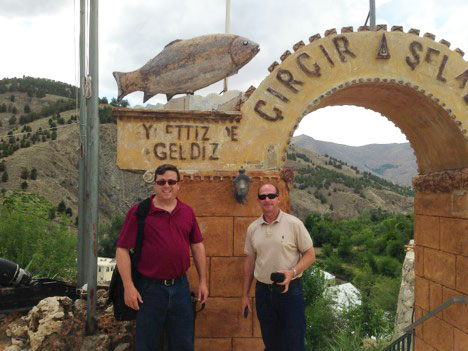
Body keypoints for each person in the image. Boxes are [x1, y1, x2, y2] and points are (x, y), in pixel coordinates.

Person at [116, 164, 208, 351]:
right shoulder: (139, 211)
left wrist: (203, 282)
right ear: (155, 185)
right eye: (161, 182)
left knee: (183, 343)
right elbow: (122, 249)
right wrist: (128, 286)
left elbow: (197, 246)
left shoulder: (187, 212)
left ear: (178, 185)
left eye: (171, 181)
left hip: (180, 288)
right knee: (147, 345)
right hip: (149, 290)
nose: (167, 186)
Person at [241, 183, 316, 351]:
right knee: (271, 342)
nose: (267, 200)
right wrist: (245, 294)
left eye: (271, 196)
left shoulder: (294, 224)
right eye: (262, 197)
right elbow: (250, 261)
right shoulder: (253, 229)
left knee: (294, 342)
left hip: (290, 291)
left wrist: (293, 272)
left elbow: (310, 255)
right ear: (259, 201)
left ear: (278, 198)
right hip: (263, 292)